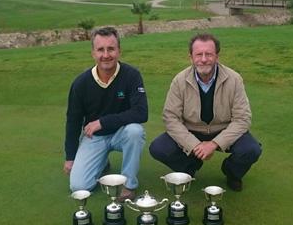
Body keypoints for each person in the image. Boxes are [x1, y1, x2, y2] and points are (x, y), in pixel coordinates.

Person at [149, 33, 261, 191]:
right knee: (158, 148)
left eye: (208, 54)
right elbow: (171, 118)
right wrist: (194, 146)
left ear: (217, 56)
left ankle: (231, 172)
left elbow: (242, 119)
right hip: (192, 130)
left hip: (223, 129)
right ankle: (191, 167)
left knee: (251, 149)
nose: (203, 59)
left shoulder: (234, 79)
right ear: (191, 57)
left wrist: (214, 144)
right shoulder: (179, 80)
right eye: (198, 54)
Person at [63, 26, 148, 201]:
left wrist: (102, 122)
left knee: (135, 131)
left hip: (121, 133)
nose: (106, 55)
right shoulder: (80, 83)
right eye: (100, 49)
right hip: (95, 137)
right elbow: (73, 121)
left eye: (111, 49)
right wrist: (70, 157)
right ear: (93, 53)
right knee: (79, 187)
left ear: (119, 51)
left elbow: (141, 113)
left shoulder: (132, 75)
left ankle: (129, 185)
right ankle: (101, 162)